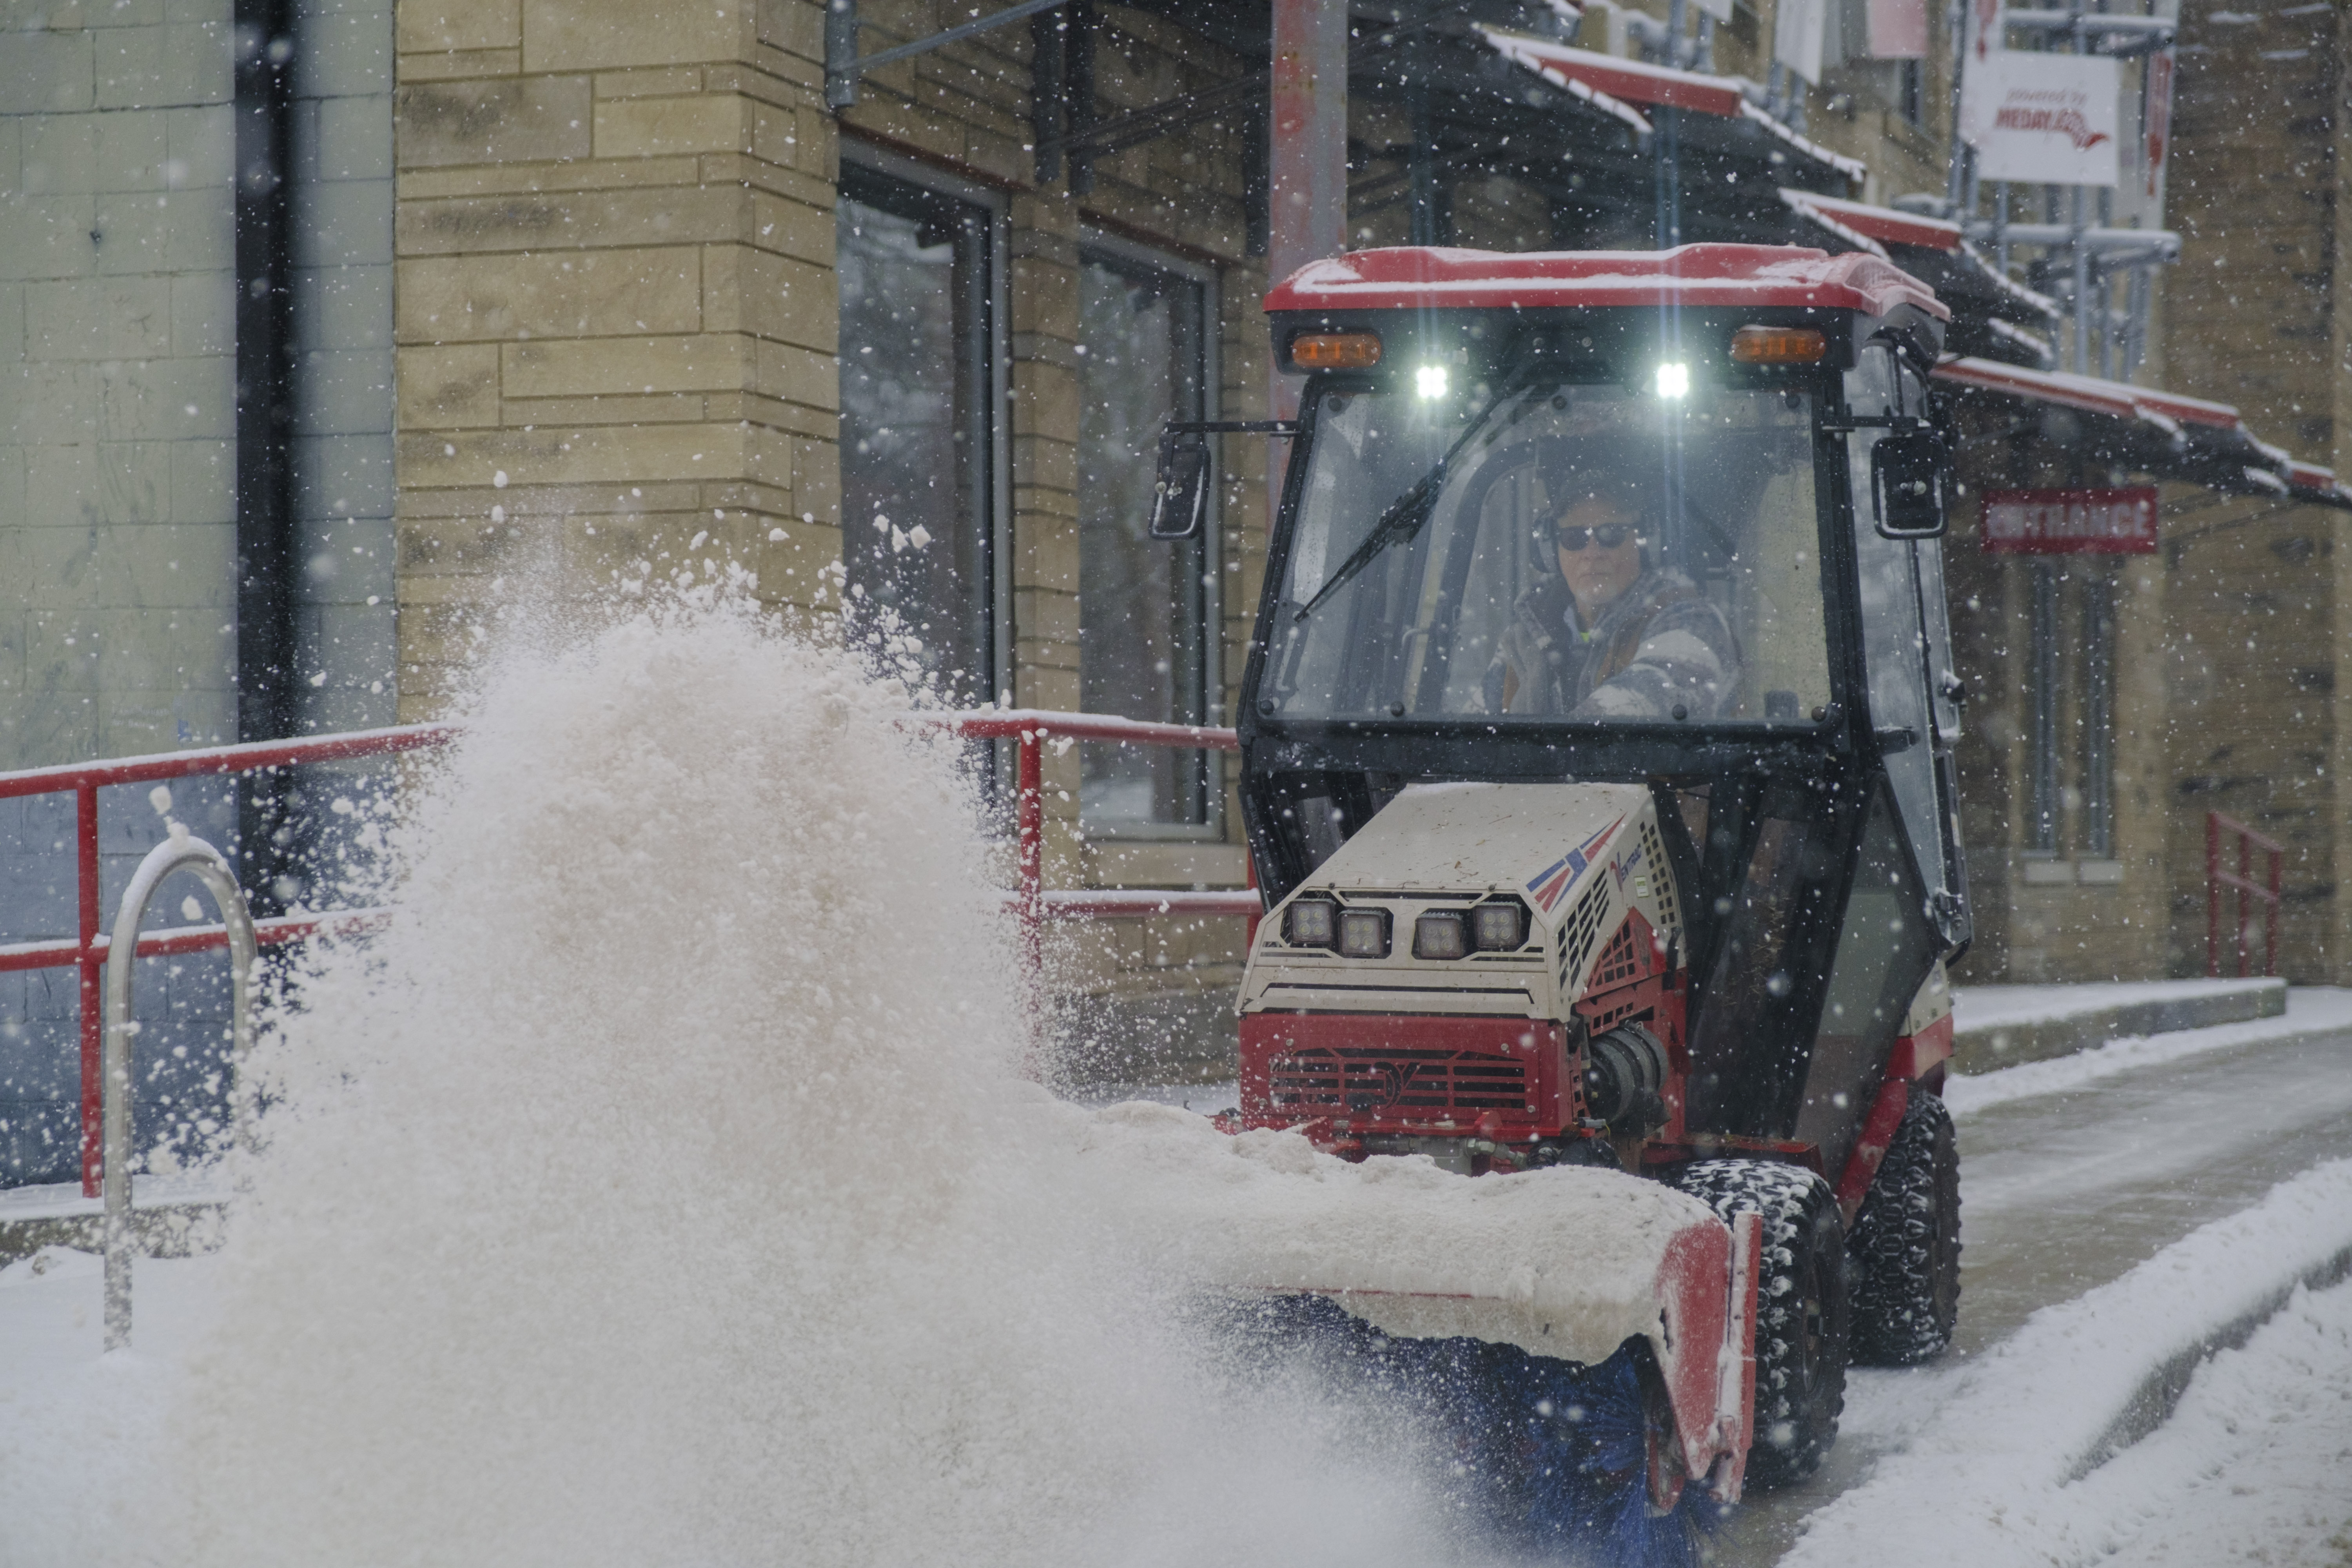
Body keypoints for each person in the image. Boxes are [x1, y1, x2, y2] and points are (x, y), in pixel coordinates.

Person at [1484, 474, 1740, 719]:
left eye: (1611, 534)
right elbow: (1468, 735)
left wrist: (1528, 759)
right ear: (1551, 550)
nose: (1592, 552)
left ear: (1646, 543)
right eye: (1574, 537)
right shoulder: (1527, 636)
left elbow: (1625, 725)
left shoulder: (1691, 622)